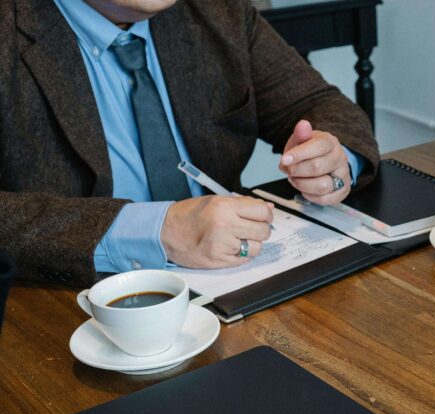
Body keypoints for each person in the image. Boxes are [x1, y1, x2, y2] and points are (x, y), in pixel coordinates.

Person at [0, 0, 378, 286]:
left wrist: (333, 159)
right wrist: (155, 230)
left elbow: (319, 106)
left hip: (233, 283)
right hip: (61, 304)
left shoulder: (216, 10)